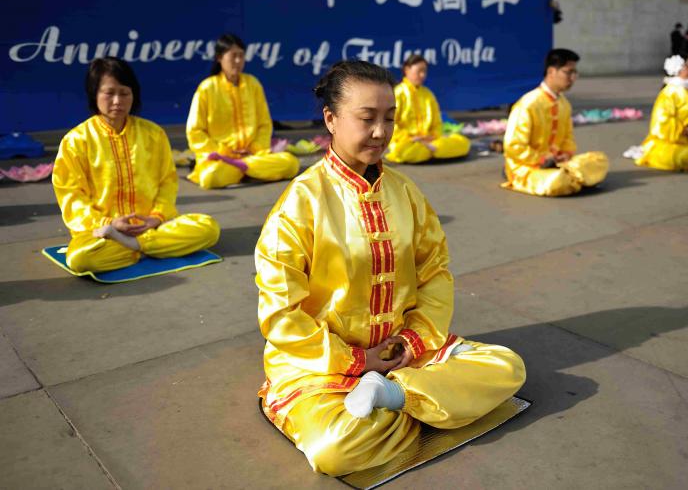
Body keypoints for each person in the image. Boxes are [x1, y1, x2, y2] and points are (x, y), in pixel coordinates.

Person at [255, 60, 525, 476]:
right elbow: (280, 316)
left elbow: (434, 272)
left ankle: (393, 397)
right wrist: (356, 361)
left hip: (404, 355)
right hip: (325, 364)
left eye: (389, 119)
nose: (380, 132)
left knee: (508, 367)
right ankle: (429, 401)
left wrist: (412, 341)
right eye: (367, 119)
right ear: (331, 118)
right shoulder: (300, 203)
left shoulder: (406, 192)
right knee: (333, 451)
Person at [52, 57, 220, 273]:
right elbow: (72, 198)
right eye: (109, 93)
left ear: (134, 95)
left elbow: (167, 184)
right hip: (104, 233)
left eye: (124, 93)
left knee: (209, 228)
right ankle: (153, 247)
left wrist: (155, 218)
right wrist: (109, 224)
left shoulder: (153, 134)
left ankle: (137, 246)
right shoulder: (75, 141)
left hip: (150, 226)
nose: (117, 101)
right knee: (80, 259)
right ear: (94, 93)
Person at [187, 34, 299, 189]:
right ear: (219, 58)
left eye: (241, 56)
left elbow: (264, 124)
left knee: (291, 163)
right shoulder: (207, 88)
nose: (238, 61)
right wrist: (223, 152)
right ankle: (250, 169)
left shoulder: (253, 84)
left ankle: (241, 167)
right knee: (210, 177)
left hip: (252, 155)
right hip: (220, 159)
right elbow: (195, 131)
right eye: (233, 56)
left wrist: (254, 148)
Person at [502, 48, 609, 196]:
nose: (573, 78)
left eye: (574, 73)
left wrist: (565, 153)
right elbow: (514, 146)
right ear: (551, 71)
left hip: (558, 163)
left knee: (599, 160)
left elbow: (567, 138)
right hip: (528, 166)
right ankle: (573, 179)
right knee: (556, 181)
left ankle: (571, 178)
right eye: (568, 72)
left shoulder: (564, 104)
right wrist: (543, 159)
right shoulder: (528, 104)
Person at [385, 54, 470, 163]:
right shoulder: (398, 93)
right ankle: (434, 152)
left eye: (424, 71)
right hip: (406, 142)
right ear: (406, 70)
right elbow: (390, 124)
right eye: (419, 71)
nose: (422, 75)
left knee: (463, 142)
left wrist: (431, 136)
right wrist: (411, 138)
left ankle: (431, 151)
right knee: (405, 151)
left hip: (430, 140)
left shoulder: (428, 95)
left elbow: (437, 124)